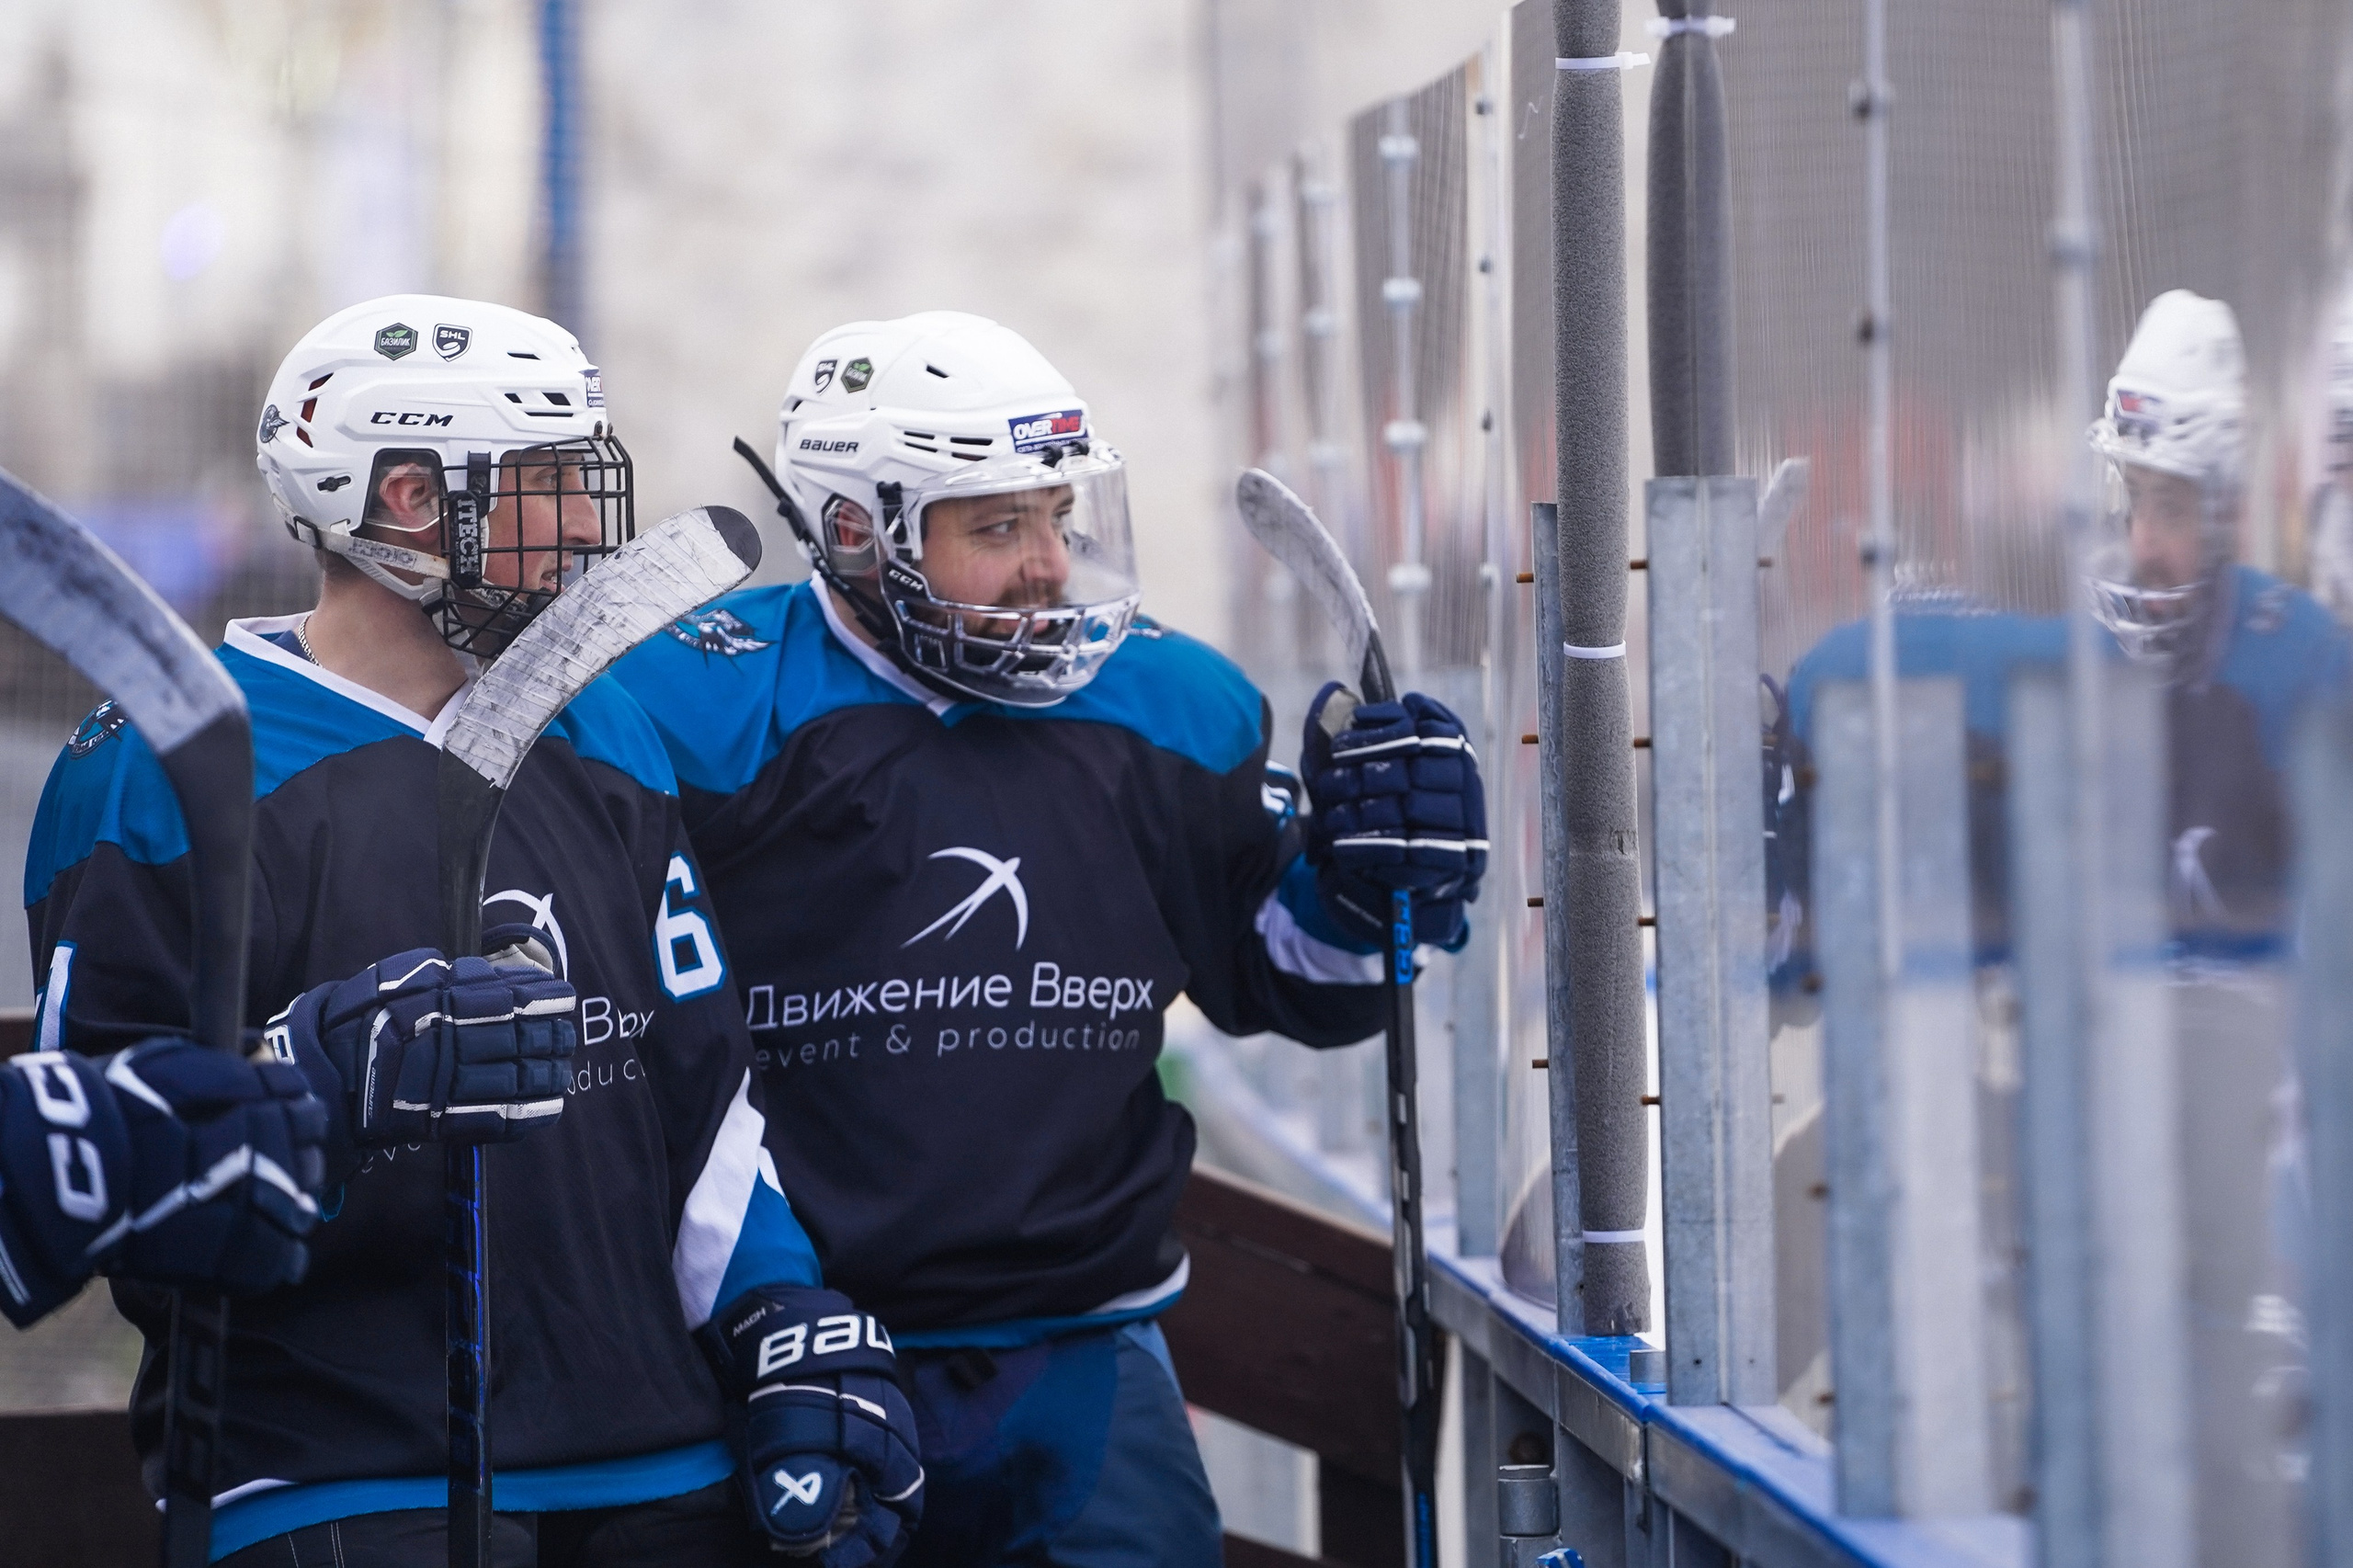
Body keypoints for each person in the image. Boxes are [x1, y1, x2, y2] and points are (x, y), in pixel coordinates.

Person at [25, 294, 919, 1567]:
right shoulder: (164, 766)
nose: (580, 528)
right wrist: (313, 1075)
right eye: (543, 483)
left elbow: (703, 1104)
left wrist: (780, 1316)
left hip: (656, 1445)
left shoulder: (602, 726)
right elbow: (88, 1158)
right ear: (398, 499)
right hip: (331, 1466)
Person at [610, 311, 1486, 1566]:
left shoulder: (1168, 703)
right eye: (997, 525)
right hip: (782, 1351)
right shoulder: (696, 699)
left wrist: (1366, 889)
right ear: (855, 530)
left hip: (1081, 1356)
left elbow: (1291, 978)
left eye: (1057, 516)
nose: (1048, 565)